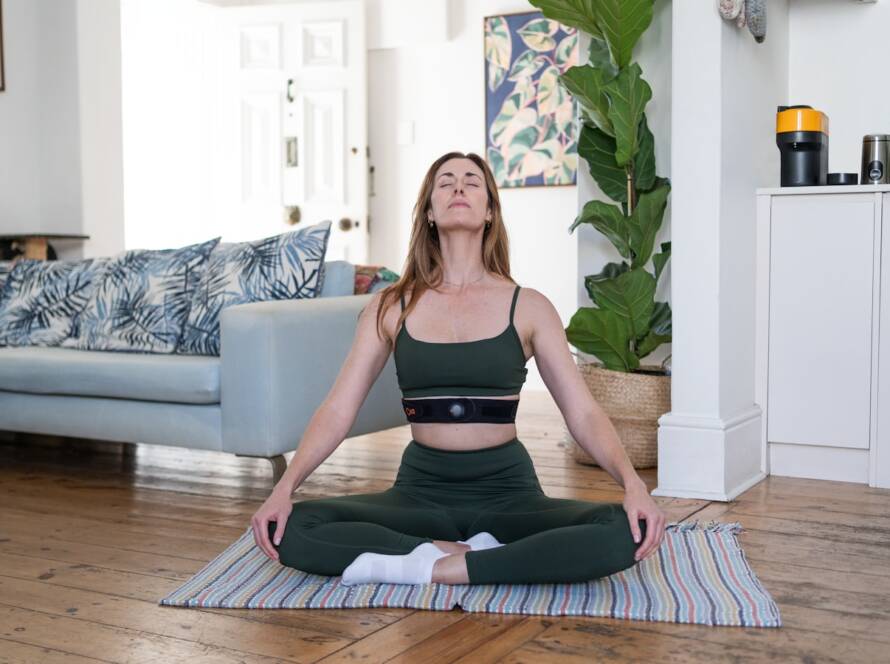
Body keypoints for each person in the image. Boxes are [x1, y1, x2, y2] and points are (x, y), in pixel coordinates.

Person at [249, 151, 666, 586]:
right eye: (445, 182)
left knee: (623, 531)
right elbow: (338, 410)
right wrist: (284, 488)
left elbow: (582, 413)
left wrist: (633, 485)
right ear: (429, 212)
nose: (459, 186)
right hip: (418, 492)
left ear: (489, 211)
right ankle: (477, 559)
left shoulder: (530, 306)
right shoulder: (391, 306)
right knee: (291, 527)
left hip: (509, 493)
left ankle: (441, 566)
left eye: (472, 180)